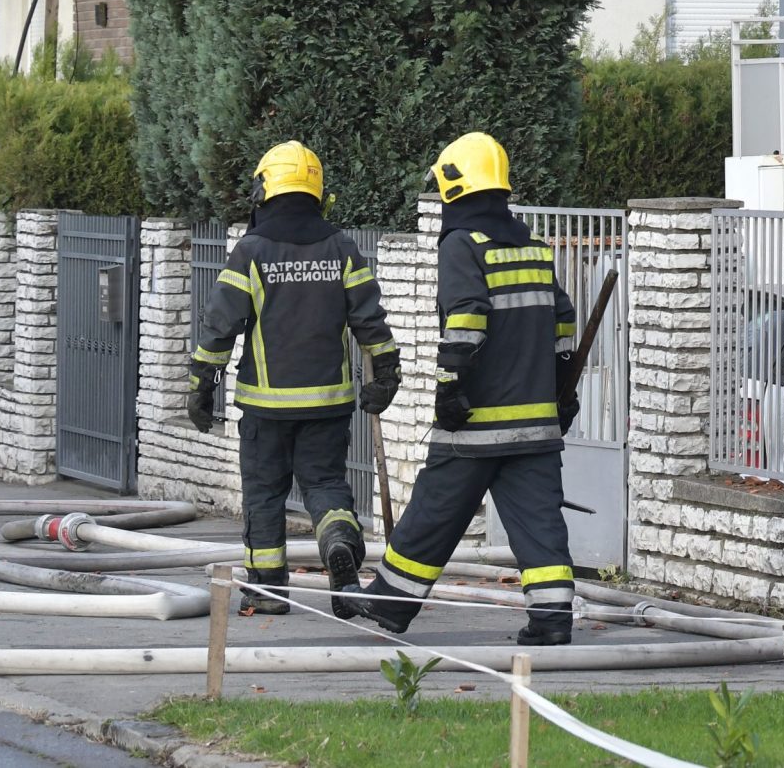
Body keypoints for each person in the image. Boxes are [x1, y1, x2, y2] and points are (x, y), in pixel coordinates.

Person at [343, 131, 581, 646]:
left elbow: (466, 319)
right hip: (536, 424)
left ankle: (389, 600)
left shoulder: (461, 245)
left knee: (435, 509)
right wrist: (565, 388)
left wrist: (450, 387)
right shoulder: (534, 247)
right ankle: (552, 616)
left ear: (453, 186)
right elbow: (563, 320)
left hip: (476, 421)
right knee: (538, 520)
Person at [188, 140, 401, 616]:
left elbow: (221, 324)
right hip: (328, 402)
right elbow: (371, 320)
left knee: (265, 494)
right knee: (325, 484)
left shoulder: (251, 251)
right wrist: (386, 373)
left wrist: (202, 383)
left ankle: (267, 591)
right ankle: (340, 544)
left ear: (266, 188)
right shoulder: (341, 248)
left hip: (266, 408)